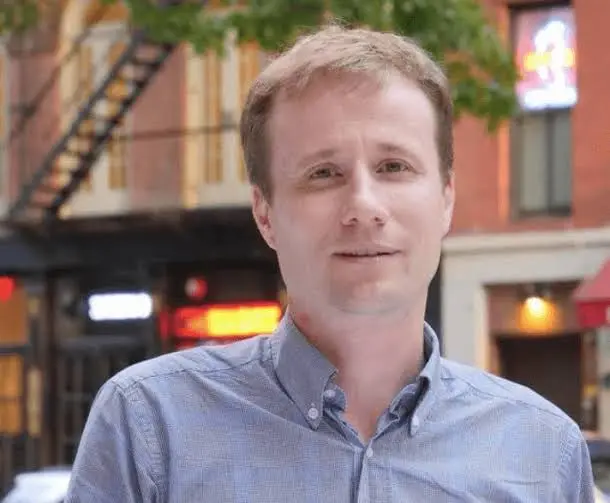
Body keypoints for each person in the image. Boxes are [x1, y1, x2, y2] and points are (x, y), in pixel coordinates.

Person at [65, 24, 595, 502]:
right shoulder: (150, 426)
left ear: (446, 199)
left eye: (394, 166)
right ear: (265, 214)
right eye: (323, 174)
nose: (363, 205)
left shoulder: (545, 453)